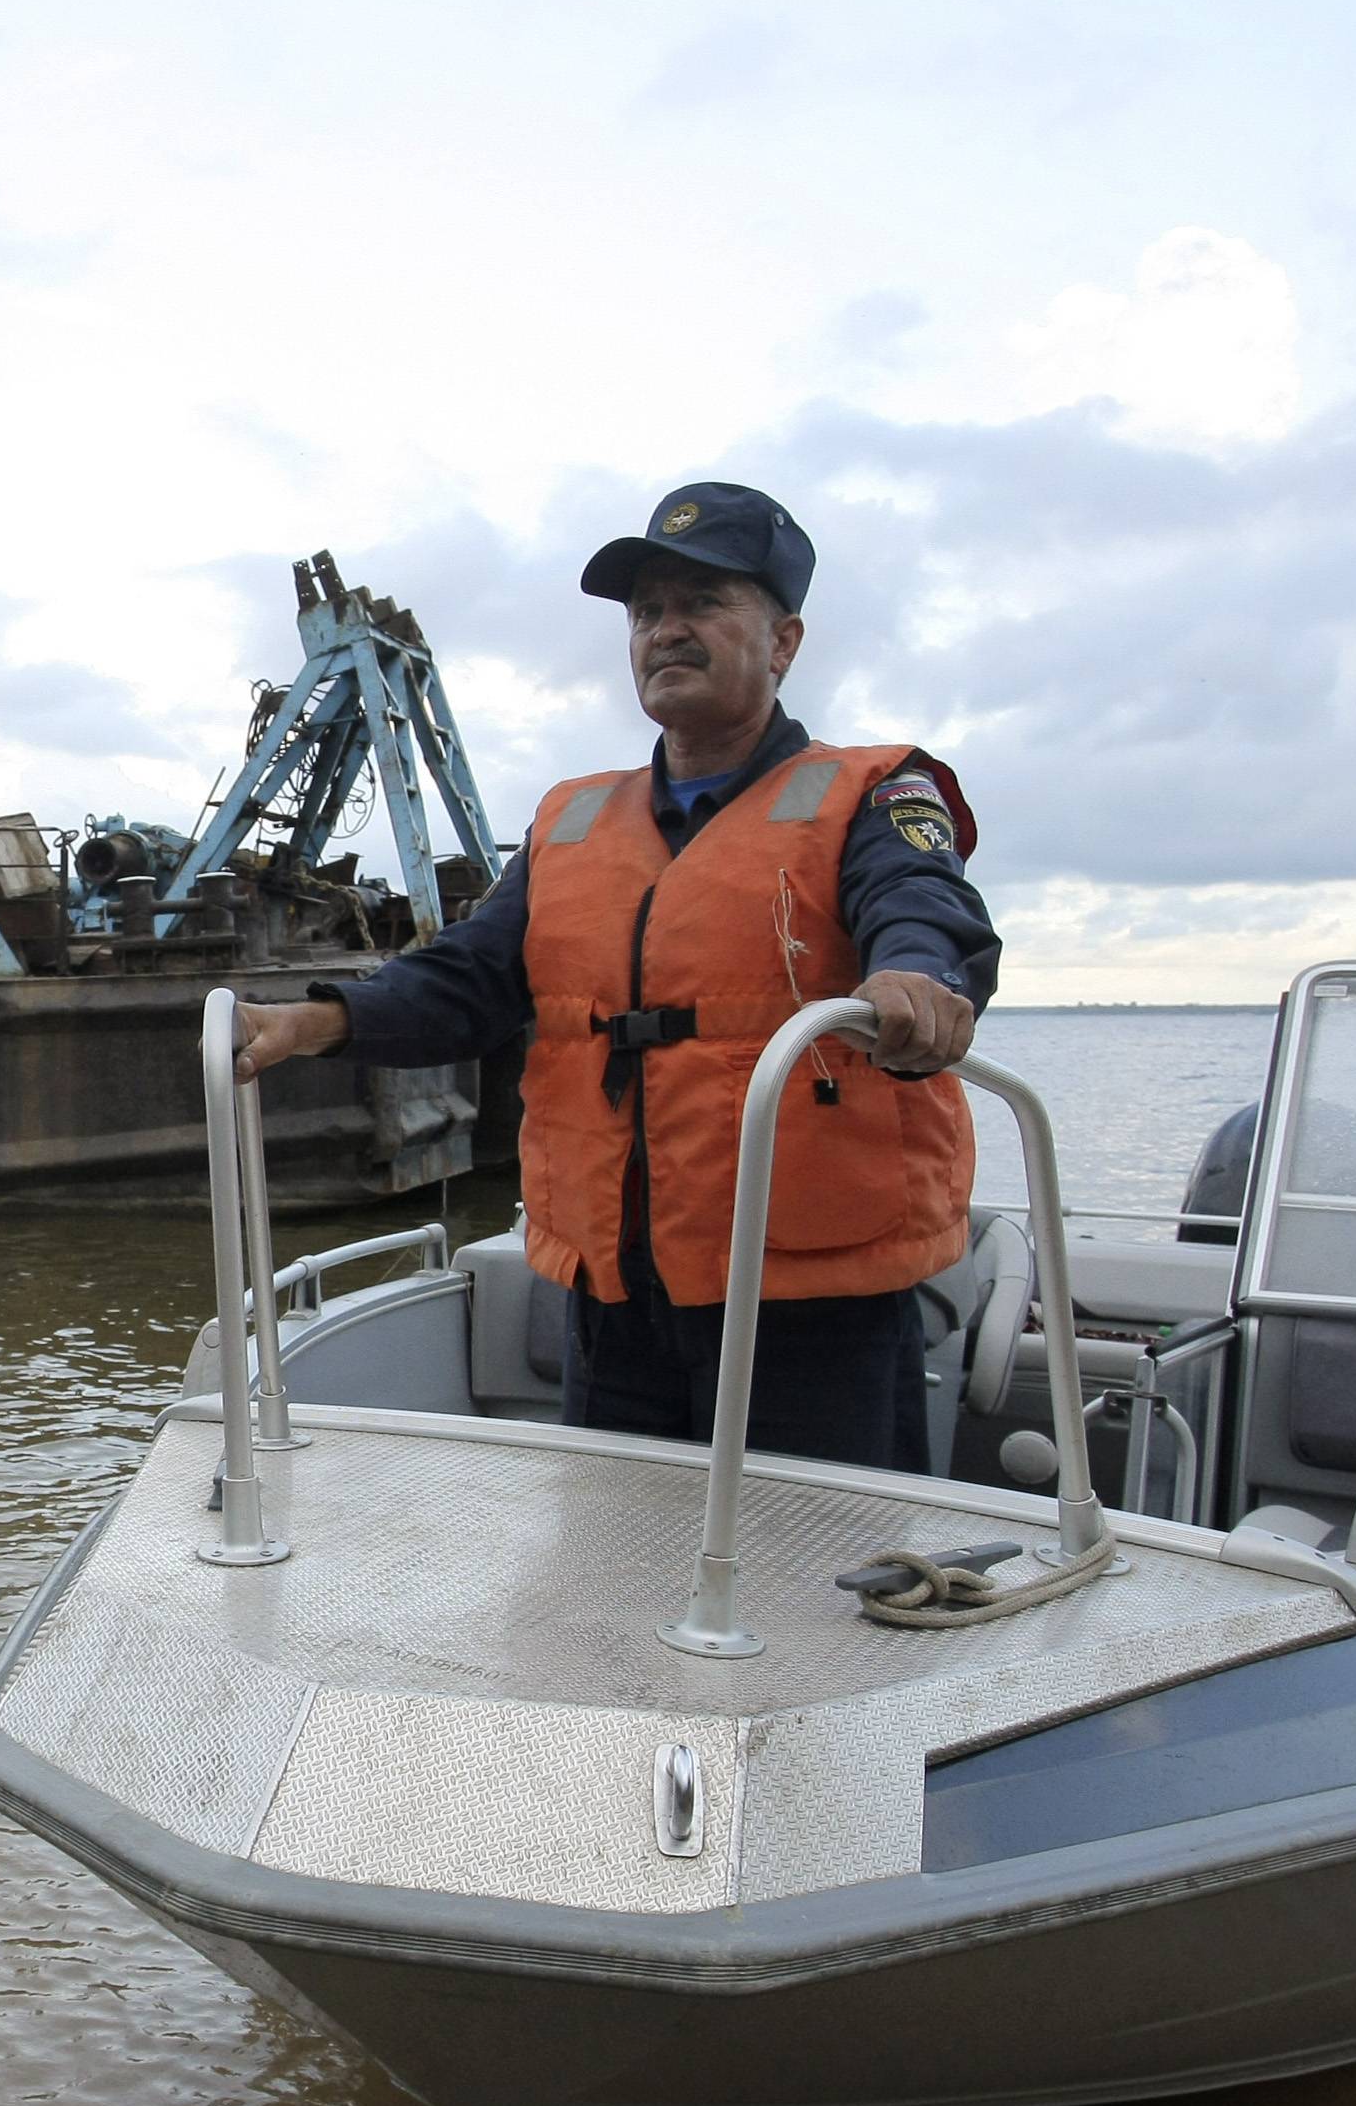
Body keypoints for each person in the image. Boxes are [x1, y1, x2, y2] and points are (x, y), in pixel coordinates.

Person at [233, 481, 1000, 1471]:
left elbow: (922, 905)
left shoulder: (874, 790)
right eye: (645, 612)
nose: (663, 631)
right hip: (615, 1294)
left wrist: (915, 980)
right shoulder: (570, 820)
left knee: (812, 1583)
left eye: (700, 604)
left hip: (810, 1303)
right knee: (610, 1568)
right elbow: (470, 976)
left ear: (782, 642)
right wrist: (318, 1021)